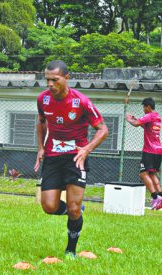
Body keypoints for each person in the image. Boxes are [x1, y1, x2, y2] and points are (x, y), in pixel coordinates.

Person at [34, 60, 108, 259]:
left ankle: (70, 250)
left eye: (54, 80)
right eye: (47, 80)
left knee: (74, 208)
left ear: (66, 78)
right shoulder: (43, 99)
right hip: (52, 157)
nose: (50, 84)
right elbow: (41, 122)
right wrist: (41, 148)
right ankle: (75, 210)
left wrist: (87, 149)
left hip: (76, 159)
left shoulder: (82, 101)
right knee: (49, 206)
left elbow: (103, 129)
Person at [126, 97, 162, 210]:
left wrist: (129, 119)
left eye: (143, 107)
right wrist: (136, 119)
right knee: (152, 174)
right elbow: (146, 126)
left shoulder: (149, 115)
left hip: (149, 150)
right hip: (158, 150)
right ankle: (160, 198)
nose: (143, 109)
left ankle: (155, 197)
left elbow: (136, 124)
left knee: (143, 174)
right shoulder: (157, 117)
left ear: (148, 107)